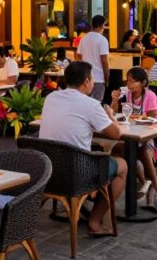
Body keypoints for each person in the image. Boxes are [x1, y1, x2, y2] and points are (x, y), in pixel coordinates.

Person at [40, 62, 127, 236]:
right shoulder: (91, 105)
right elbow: (116, 133)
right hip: (78, 173)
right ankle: (95, 221)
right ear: (87, 81)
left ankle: (89, 200)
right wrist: (110, 116)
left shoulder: (51, 98)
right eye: (93, 78)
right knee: (122, 166)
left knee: (97, 152)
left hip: (47, 170)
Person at [110, 67, 157, 197]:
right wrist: (115, 100)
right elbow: (115, 113)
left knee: (143, 150)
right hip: (133, 134)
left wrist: (137, 117)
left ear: (143, 83)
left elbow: (154, 117)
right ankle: (144, 182)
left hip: (151, 135)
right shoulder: (126, 95)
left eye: (133, 81)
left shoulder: (150, 96)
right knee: (119, 148)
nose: (129, 84)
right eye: (127, 81)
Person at [76, 15, 110, 100]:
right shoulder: (102, 40)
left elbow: (79, 56)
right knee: (96, 105)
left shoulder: (84, 38)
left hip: (85, 78)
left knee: (85, 105)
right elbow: (104, 60)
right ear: (103, 25)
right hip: (98, 78)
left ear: (92, 24)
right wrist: (107, 77)